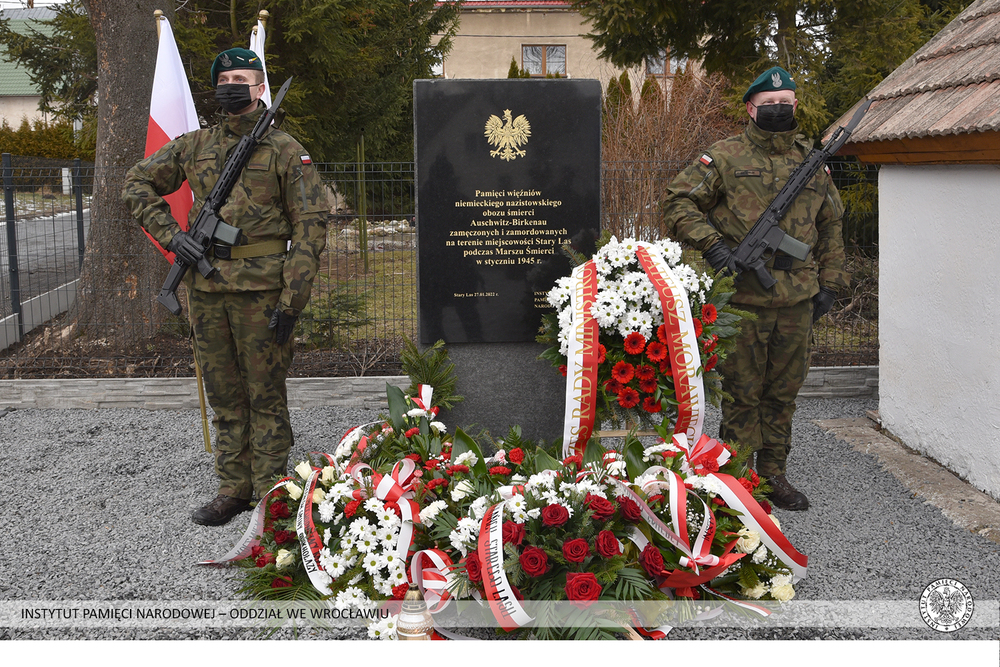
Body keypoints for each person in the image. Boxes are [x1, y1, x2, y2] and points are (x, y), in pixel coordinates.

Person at [123, 48, 329, 526]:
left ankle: (273, 492)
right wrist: (173, 236)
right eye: (224, 78)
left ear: (260, 88)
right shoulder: (193, 145)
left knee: (265, 393)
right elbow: (136, 182)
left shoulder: (282, 149)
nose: (231, 85)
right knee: (223, 393)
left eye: (242, 77)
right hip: (206, 290)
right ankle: (233, 488)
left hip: (262, 291)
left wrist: (292, 300)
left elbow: (311, 226)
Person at [661, 66, 849, 511]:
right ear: (751, 108)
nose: (778, 110)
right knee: (743, 392)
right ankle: (740, 478)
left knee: (783, 392)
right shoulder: (724, 157)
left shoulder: (812, 162)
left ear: (796, 105)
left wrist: (832, 285)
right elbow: (677, 201)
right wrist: (714, 249)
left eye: (785, 102)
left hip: (798, 298)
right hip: (742, 300)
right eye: (769, 104)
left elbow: (831, 224)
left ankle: (774, 475)